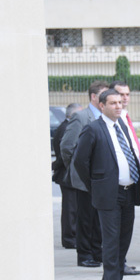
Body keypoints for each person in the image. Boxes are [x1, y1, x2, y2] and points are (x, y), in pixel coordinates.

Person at [73, 90, 140, 280]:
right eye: (113, 103)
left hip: (128, 192)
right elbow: (79, 161)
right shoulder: (93, 129)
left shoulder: (121, 126)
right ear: (102, 106)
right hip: (108, 194)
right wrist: (96, 185)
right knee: (111, 241)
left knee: (124, 239)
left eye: (120, 103)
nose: (118, 106)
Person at [60, 80, 109, 267]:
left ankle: (98, 252)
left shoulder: (106, 116)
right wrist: (78, 168)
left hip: (102, 177)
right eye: (104, 95)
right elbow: (67, 146)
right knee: (85, 218)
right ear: (94, 97)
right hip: (85, 178)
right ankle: (85, 255)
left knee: (98, 219)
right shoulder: (81, 117)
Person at [110, 81, 140, 276]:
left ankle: (120, 265)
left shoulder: (125, 118)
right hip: (113, 188)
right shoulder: (108, 122)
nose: (124, 98)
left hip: (130, 185)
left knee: (126, 231)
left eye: (127, 94)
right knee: (113, 233)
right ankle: (113, 273)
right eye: (121, 94)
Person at [52, 102, 83, 249]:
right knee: (70, 208)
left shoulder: (66, 126)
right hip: (66, 173)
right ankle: (70, 238)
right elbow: (66, 151)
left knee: (73, 206)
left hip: (66, 172)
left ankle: (72, 236)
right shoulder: (66, 128)